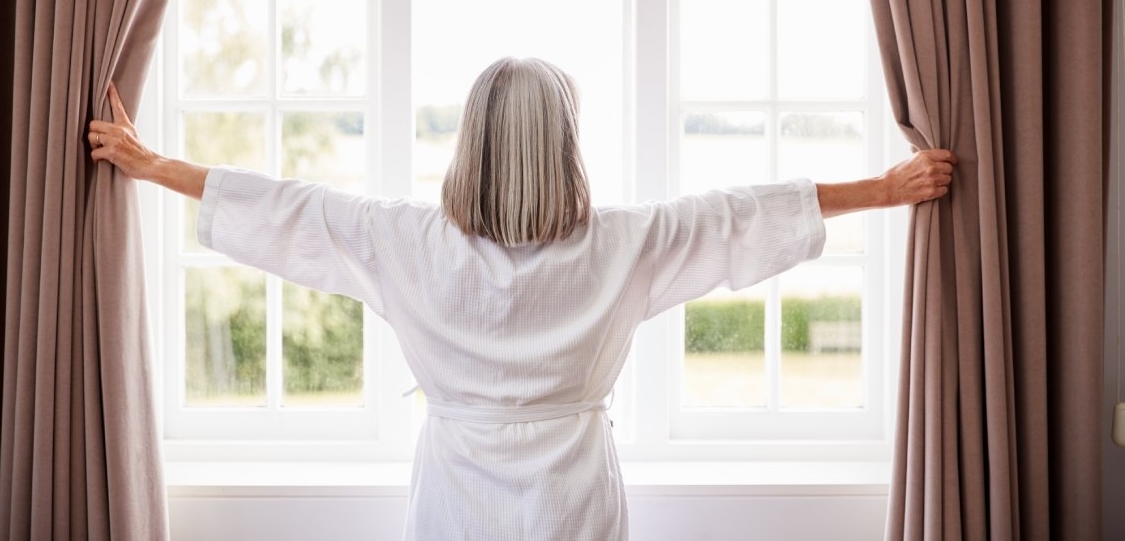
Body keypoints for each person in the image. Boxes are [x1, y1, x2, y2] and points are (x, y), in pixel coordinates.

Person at [88, 57, 955, 541]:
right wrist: (885, 188)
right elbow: (740, 218)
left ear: (472, 145)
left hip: (456, 498)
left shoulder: (407, 243)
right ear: (565, 147)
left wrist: (148, 161)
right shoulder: (622, 244)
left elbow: (282, 207)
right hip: (574, 495)